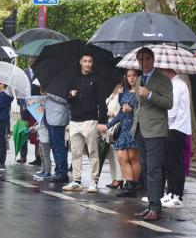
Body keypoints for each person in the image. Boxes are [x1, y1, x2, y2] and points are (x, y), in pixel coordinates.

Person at [131, 48, 173, 223]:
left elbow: (168, 103)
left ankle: (156, 207)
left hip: (155, 130)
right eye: (141, 60)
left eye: (147, 59)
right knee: (146, 168)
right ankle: (150, 205)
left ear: (153, 60)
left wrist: (149, 94)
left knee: (155, 169)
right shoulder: (140, 79)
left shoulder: (163, 80)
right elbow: (138, 105)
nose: (144, 63)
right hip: (140, 128)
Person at [64, 53, 108, 193]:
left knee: (92, 152)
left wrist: (102, 121)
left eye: (90, 61)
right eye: (85, 61)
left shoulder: (97, 79)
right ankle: (77, 181)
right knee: (76, 153)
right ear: (80, 62)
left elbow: (102, 102)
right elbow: (68, 99)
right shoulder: (73, 78)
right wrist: (70, 95)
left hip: (90, 120)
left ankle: (94, 181)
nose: (88, 64)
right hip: (75, 121)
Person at [160, 67, 191, 208]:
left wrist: (166, 121)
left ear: (169, 71)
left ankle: (177, 195)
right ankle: (171, 192)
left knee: (175, 163)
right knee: (169, 162)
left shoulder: (176, 85)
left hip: (176, 127)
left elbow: (172, 108)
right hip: (174, 127)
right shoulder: (175, 84)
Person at [106, 71, 140, 198]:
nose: (131, 78)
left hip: (135, 128)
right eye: (129, 76)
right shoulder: (124, 92)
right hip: (124, 128)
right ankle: (129, 184)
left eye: (134, 76)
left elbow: (143, 111)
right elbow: (120, 113)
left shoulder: (141, 92)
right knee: (122, 157)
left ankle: (132, 187)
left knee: (133, 158)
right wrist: (107, 126)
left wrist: (131, 110)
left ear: (138, 77)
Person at [45, 92, 70, 183]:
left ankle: (63, 173)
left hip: (58, 118)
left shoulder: (63, 84)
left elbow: (65, 99)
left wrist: (49, 94)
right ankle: (58, 171)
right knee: (54, 146)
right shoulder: (53, 85)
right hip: (50, 118)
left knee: (59, 147)